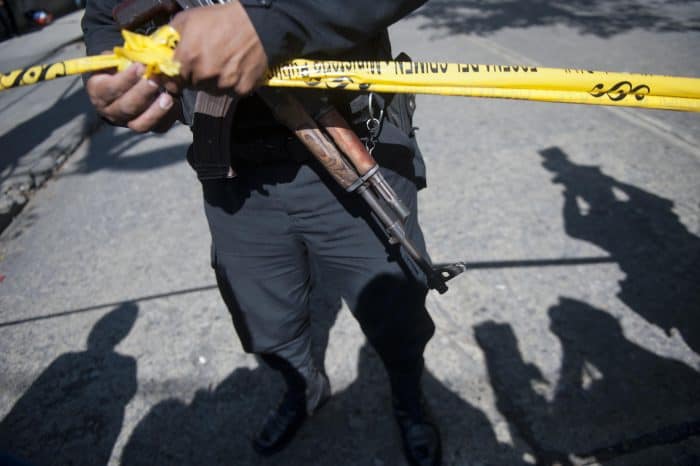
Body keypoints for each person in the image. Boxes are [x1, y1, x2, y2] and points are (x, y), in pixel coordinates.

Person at [81, 1, 441, 465]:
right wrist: (114, 74)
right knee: (266, 326)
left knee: (398, 317)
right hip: (232, 170)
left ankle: (409, 400)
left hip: (354, 143)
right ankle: (304, 390)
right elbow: (103, 16)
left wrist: (278, 22)